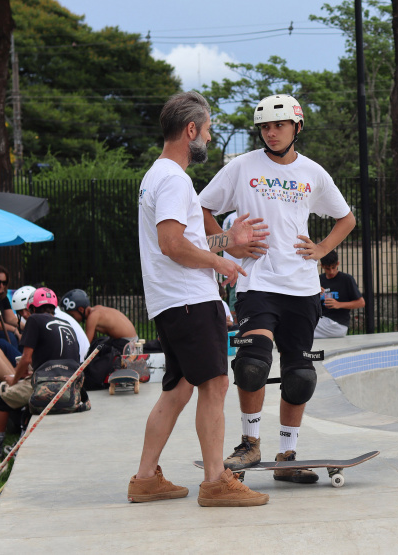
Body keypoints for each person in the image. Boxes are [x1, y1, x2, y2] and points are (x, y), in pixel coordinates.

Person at [199, 94, 356, 483]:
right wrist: (228, 243)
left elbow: (346, 218)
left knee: (300, 375)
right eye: (265, 127)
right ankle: (249, 444)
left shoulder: (313, 173)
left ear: (296, 127)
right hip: (259, 283)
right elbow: (201, 209)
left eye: (279, 125)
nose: (271, 133)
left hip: (302, 286)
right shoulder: (241, 167)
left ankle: (287, 455)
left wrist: (321, 249)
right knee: (252, 363)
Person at [128, 90, 268, 507]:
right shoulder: (173, 178)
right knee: (216, 383)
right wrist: (222, 263)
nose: (208, 138)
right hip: (190, 299)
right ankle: (215, 482)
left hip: (172, 300)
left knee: (178, 387)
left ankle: (145, 478)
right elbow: (171, 243)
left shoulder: (157, 176)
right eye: (207, 131)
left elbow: (184, 239)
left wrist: (229, 241)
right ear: (191, 130)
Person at [0, 288, 82, 461]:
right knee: (27, 390)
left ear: (32, 308)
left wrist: (15, 379)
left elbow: (26, 359)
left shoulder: (34, 320)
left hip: (48, 385)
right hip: (72, 388)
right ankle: (20, 442)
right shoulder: (66, 324)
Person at [13, 285, 90, 360]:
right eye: (20, 312)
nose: (25, 314)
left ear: (33, 308)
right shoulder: (62, 319)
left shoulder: (36, 319)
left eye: (26, 310)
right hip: (77, 365)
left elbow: (27, 358)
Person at [314, 250, 365, 339]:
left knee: (303, 326)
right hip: (322, 321)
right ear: (322, 266)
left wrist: (339, 304)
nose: (331, 271)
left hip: (337, 324)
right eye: (328, 268)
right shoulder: (319, 280)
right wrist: (315, 294)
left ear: (338, 263)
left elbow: (361, 303)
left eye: (334, 267)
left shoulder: (346, 279)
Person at [60, 289, 138, 345]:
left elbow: (86, 344)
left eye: (72, 315)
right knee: (99, 344)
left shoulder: (92, 317)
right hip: (132, 340)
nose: (71, 318)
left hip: (128, 344)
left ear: (80, 309)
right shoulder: (97, 309)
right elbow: (93, 340)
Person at [221, 211, 242, 322]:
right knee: (235, 298)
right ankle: (235, 326)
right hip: (237, 265)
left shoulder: (228, 218)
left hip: (228, 265)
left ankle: (234, 324)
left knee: (233, 297)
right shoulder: (236, 217)